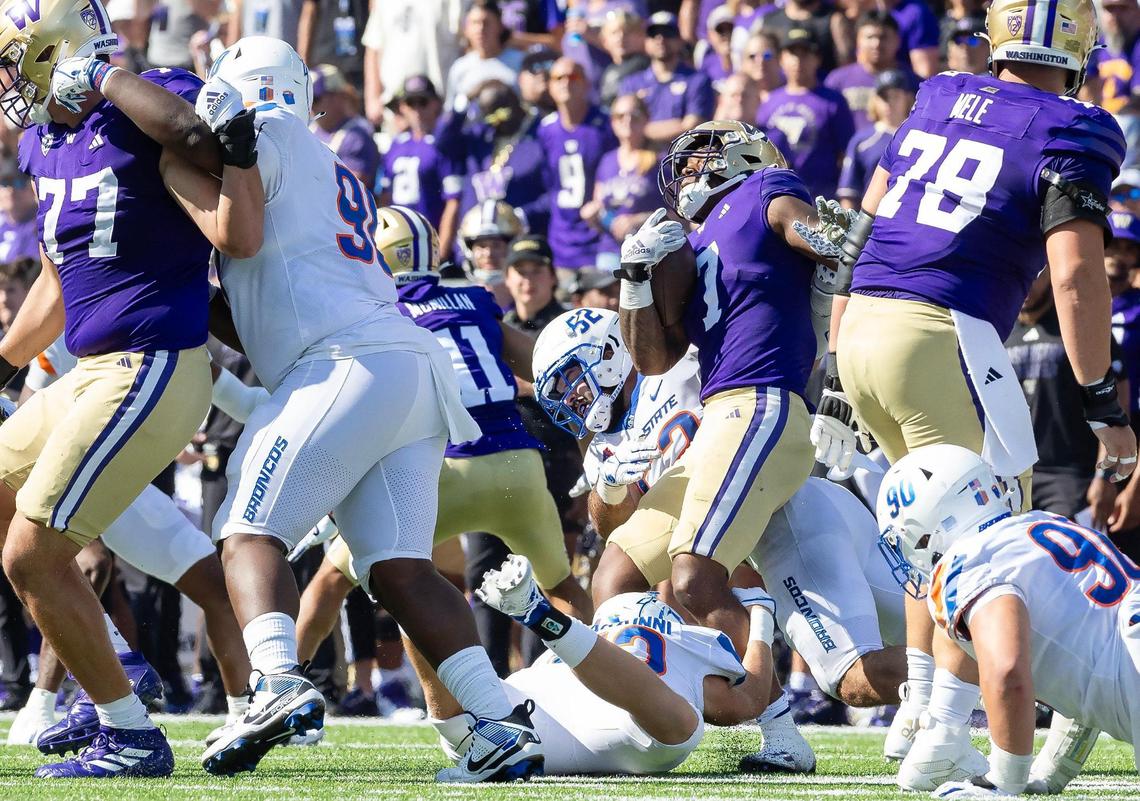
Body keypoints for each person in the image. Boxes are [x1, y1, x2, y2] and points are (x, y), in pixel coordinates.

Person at [61, 35, 545, 781]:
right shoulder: (331, 160)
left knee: (248, 532)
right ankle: (496, 720)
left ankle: (277, 682)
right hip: (407, 367)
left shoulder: (265, 136)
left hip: (342, 363)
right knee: (402, 571)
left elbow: (235, 230)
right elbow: (257, 297)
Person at [816, 0, 1137, 776]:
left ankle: (919, 717)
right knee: (992, 540)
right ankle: (942, 735)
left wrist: (834, 351)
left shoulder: (936, 94)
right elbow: (1074, 274)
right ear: (1077, 46)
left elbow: (862, 220)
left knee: (939, 537)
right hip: (943, 333)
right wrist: (1104, 403)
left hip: (864, 330)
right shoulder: (1078, 126)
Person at [0, 0, 233, 778]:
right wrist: (2, 363)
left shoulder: (148, 98)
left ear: (50, 48)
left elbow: (198, 136)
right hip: (95, 367)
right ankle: (120, 661)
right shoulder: (41, 142)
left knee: (32, 552)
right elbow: (59, 283)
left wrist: (105, 74)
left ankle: (130, 734)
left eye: (12, 59)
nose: (7, 82)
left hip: (153, 359)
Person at [532, 307, 907, 755]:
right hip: (771, 533)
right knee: (632, 580)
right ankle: (773, 725)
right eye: (556, 390)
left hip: (797, 514)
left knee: (862, 675)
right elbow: (621, 532)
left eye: (570, 376)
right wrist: (609, 488)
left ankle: (978, 677)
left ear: (610, 350)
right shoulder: (604, 446)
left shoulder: (678, 364)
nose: (568, 396)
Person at [613, 120, 842, 765]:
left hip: (761, 400)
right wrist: (634, 279)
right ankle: (645, 703)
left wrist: (830, 239)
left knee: (692, 578)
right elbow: (653, 359)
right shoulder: (690, 244)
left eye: (694, 161)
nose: (683, 176)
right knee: (620, 574)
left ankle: (784, 736)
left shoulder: (766, 186)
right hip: (721, 412)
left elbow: (810, 234)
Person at [293, 206, 592, 668]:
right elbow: (542, 363)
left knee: (336, 579)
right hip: (518, 462)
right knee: (562, 587)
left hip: (445, 468)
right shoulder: (474, 298)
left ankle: (281, 684)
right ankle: (593, 682)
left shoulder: (379, 311)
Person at [7, 340, 258, 749]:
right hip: (66, 473)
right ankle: (46, 701)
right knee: (75, 562)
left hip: (123, 479)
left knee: (217, 588)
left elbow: (216, 380)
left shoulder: (149, 320)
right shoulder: (78, 318)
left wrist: (263, 408)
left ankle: (243, 715)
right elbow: (30, 406)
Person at [875, 444, 1140, 796]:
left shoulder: (972, 562)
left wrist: (1004, 782)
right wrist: (1049, 775)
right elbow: (1085, 662)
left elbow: (1007, 671)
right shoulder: (1042, 523)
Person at [425, 558, 777, 775]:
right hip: (627, 738)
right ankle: (542, 619)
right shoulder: (688, 640)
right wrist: (761, 614)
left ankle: (403, 592)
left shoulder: (590, 636)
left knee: (432, 633)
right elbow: (750, 700)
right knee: (683, 723)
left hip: (516, 728)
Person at [436, 80, 550, 238]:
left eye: (501, 116)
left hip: (520, 241)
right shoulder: (481, 137)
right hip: (475, 241)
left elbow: (553, 192)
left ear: (516, 105)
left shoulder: (539, 138)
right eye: (491, 118)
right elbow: (442, 142)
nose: (497, 124)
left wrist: (522, 216)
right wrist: (464, 100)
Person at [755, 27, 855, 199]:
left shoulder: (833, 101)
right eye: (793, 53)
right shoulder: (769, 102)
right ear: (781, 59)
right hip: (776, 194)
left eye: (805, 54)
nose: (798, 60)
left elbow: (845, 153)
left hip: (821, 196)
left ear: (817, 59)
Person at [539, 58, 617, 274]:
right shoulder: (546, 130)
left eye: (573, 76)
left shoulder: (605, 125)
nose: (566, 82)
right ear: (550, 86)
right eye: (558, 78)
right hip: (561, 243)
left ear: (586, 84)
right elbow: (548, 184)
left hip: (599, 240)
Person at [379, 76, 460, 253]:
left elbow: (453, 201)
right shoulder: (395, 145)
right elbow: (384, 198)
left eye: (423, 102)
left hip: (429, 241)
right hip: (397, 241)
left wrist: (442, 251)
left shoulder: (443, 145)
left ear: (436, 104)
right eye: (410, 103)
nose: (417, 109)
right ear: (402, 107)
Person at [582, 94, 661, 273]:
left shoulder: (660, 161)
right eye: (620, 116)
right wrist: (592, 216)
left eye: (634, 115)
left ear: (646, 119)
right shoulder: (607, 161)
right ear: (612, 122)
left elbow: (678, 216)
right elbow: (600, 208)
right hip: (611, 251)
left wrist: (637, 220)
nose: (627, 120)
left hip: (648, 252)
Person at [359, 0, 463, 126]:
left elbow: (466, 40)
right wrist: (373, 99)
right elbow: (373, 47)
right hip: (395, 113)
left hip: (439, 110)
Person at [620, 12, 715, 149]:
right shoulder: (631, 83)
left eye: (668, 33)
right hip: (642, 161)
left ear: (679, 39)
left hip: (682, 162)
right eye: (653, 33)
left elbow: (692, 128)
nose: (660, 39)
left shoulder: (698, 80)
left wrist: (640, 129)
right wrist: (677, 125)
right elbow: (622, 125)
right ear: (646, 41)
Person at [836, 69, 917, 208]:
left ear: (908, 98)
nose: (889, 103)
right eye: (884, 97)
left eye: (895, 96)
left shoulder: (920, 137)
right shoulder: (862, 141)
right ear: (875, 100)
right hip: (871, 220)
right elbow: (849, 193)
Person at [824, 11, 907, 133]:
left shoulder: (913, 83)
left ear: (897, 40)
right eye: (870, 37)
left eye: (883, 37)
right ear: (857, 39)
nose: (876, 44)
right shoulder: (837, 81)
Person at [309, 64, 380, 191]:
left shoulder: (357, 137)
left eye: (316, 99)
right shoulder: (308, 130)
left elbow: (351, 189)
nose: (310, 106)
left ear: (338, 97)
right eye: (307, 99)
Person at [444, 0, 524, 111]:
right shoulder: (459, 68)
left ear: (500, 26)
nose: (480, 29)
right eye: (475, 23)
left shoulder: (521, 61)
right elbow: (452, 111)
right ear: (466, 30)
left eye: (486, 23)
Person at [458, 200, 526, 310]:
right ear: (469, 249)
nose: (488, 254)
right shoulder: (460, 304)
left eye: (496, 245)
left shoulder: (530, 301)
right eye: (481, 246)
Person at [598, 8, 649, 111]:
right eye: (614, 33)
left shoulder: (647, 66)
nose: (621, 37)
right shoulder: (608, 70)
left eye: (627, 32)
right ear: (604, 41)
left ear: (641, 36)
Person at [0, 171, 39, 263]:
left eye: (19, 183)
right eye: (5, 183)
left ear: (33, 189)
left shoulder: (42, 226)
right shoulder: (2, 223)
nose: (11, 190)